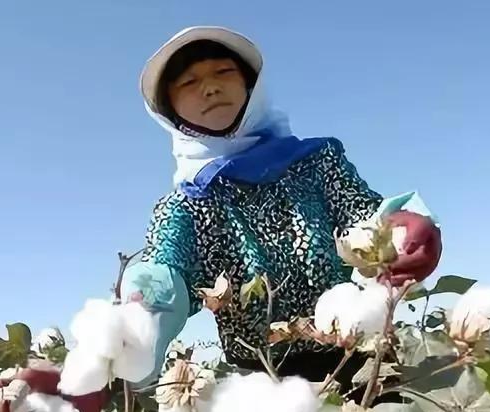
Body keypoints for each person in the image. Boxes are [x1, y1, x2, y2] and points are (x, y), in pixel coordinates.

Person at [120, 26, 442, 386]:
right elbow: (166, 271)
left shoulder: (317, 163)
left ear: (250, 86)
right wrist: (134, 324)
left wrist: (402, 230)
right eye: (188, 82)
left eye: (224, 72)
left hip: (361, 362)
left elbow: (361, 215)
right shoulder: (189, 204)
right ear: (170, 109)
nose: (210, 87)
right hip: (263, 388)